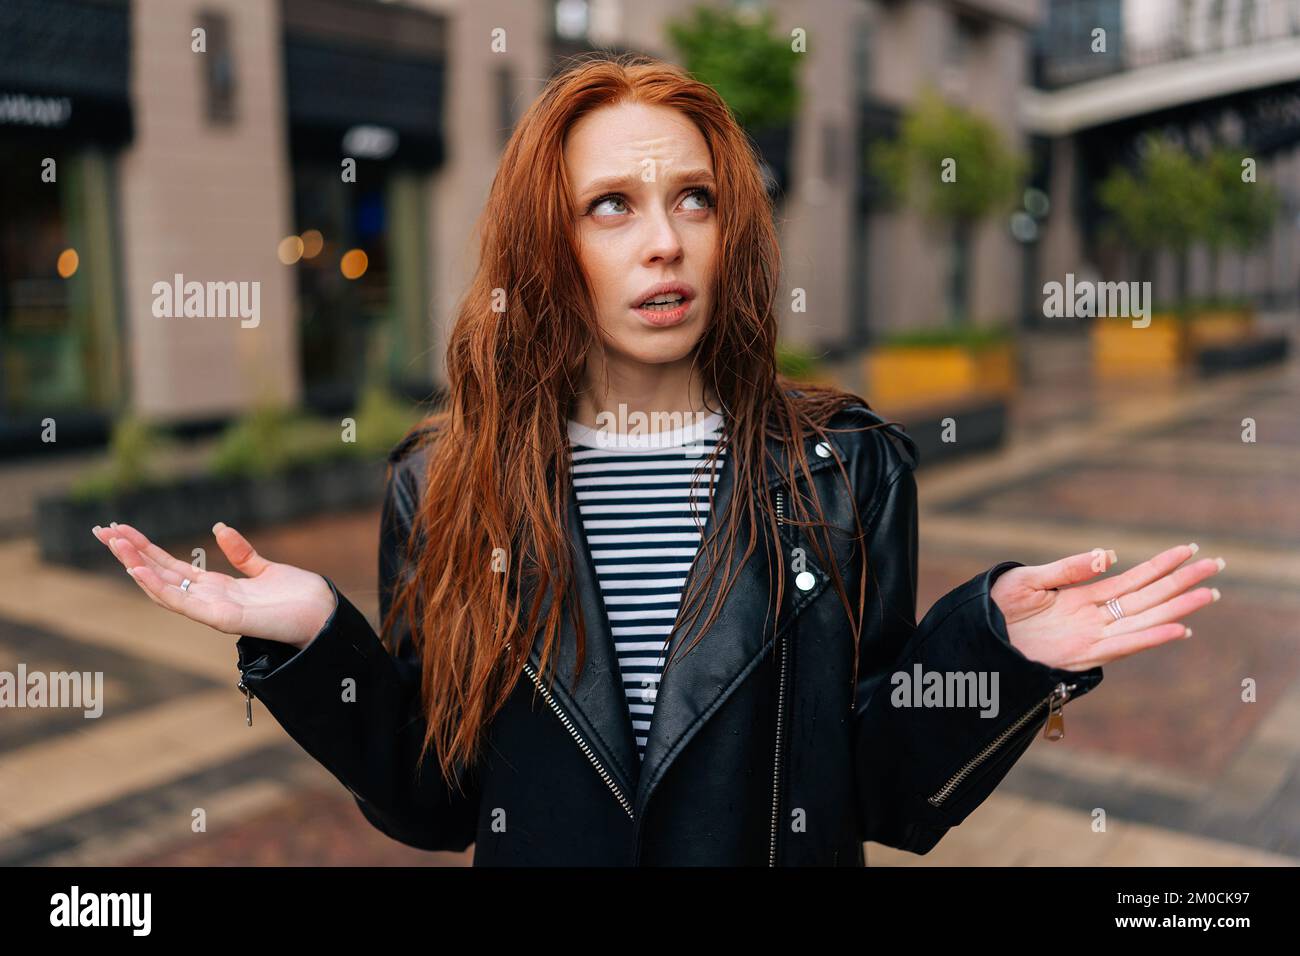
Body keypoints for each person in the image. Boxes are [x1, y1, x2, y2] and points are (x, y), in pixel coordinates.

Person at [92, 53, 1224, 866]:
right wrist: (312, 642)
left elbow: (869, 784)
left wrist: (996, 658)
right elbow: (440, 801)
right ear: (548, 241)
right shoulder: (442, 486)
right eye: (610, 206)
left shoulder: (846, 469)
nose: (664, 240)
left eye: (694, 197)